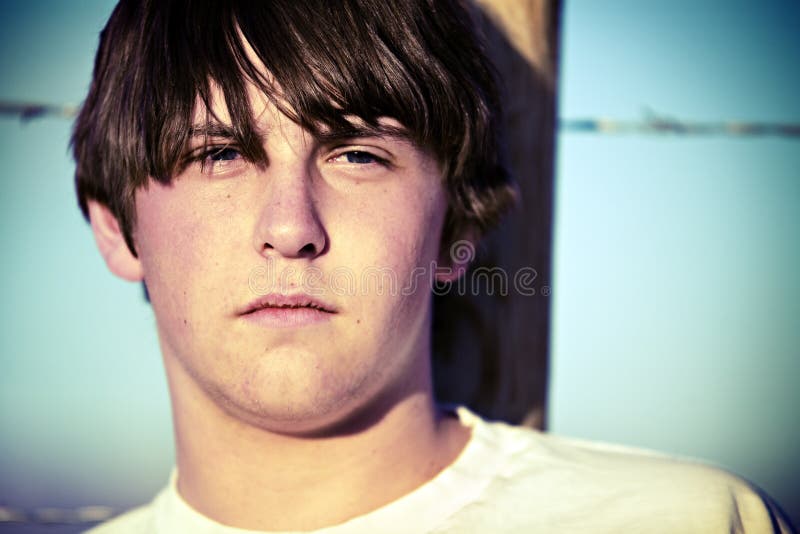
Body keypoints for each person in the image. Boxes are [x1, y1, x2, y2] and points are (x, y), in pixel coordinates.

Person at [73, 1, 793, 532]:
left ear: (455, 227)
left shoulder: (686, 521)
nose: (291, 228)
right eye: (220, 155)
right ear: (117, 226)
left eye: (358, 155)